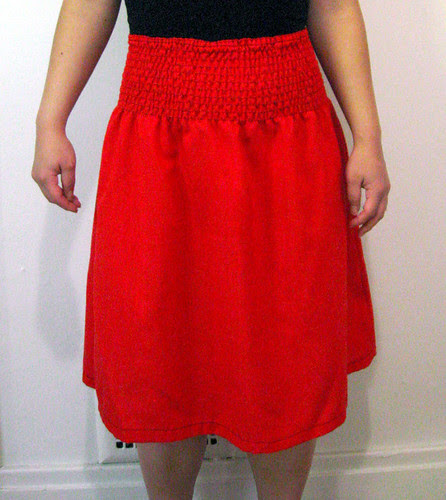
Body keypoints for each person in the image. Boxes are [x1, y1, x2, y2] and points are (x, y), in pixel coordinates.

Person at [32, 0, 390, 498]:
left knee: (286, 353)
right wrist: (50, 121)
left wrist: (368, 136)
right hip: (157, 136)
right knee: (158, 351)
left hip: (285, 137)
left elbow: (332, 7)